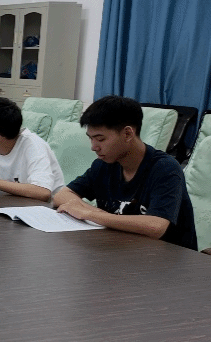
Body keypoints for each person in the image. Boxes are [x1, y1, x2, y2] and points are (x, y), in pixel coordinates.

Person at [52, 95, 197, 249]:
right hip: (121, 249)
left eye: (100, 139)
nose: (94, 147)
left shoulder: (165, 168)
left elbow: (156, 226)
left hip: (167, 257)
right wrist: (92, 211)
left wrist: (90, 214)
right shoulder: (104, 165)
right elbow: (62, 195)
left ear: (127, 134)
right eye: (91, 138)